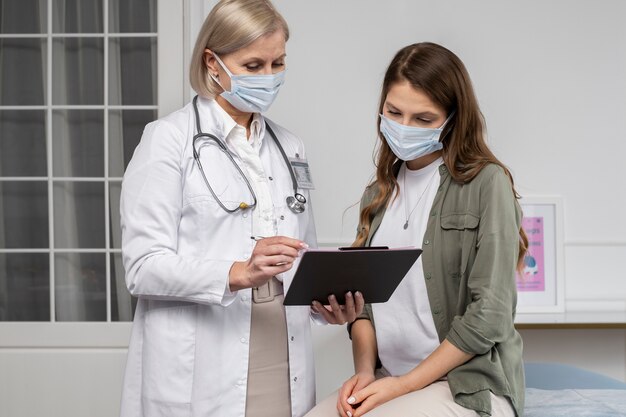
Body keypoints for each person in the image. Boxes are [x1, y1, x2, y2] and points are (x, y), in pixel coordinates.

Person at [119, 1, 363, 416]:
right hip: (205, 354)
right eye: (253, 66)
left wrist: (327, 304)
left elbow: (303, 252)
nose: (269, 77)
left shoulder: (290, 148)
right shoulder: (168, 140)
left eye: (278, 63)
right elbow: (143, 267)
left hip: (282, 345)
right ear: (213, 63)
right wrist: (238, 272)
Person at [305, 42, 527, 417]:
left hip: (463, 386)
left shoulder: (488, 184)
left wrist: (402, 386)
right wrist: (364, 374)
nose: (404, 128)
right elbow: (365, 309)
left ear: (453, 119)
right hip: (388, 378)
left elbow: (490, 314)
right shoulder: (378, 193)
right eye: (394, 113)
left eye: (423, 119)